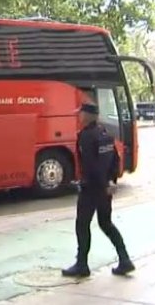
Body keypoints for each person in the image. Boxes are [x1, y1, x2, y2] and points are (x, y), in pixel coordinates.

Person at [62, 103, 134, 278]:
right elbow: (115, 160)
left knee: (82, 225)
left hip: (92, 188)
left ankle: (82, 264)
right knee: (106, 223)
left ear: (87, 115)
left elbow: (91, 165)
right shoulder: (105, 134)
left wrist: (100, 183)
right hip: (105, 188)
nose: (79, 116)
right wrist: (110, 182)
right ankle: (124, 259)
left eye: (81, 113)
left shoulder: (86, 136)